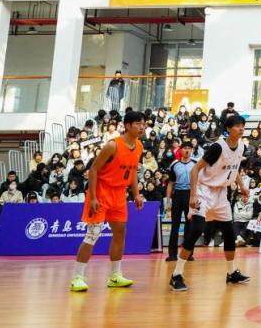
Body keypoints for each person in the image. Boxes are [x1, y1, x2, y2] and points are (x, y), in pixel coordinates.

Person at [169, 115, 252, 292]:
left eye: (243, 126)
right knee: (197, 229)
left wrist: (242, 186)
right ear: (228, 129)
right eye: (237, 126)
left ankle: (231, 273)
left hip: (221, 192)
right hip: (204, 190)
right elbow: (195, 169)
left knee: (229, 233)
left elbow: (234, 169)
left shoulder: (241, 146)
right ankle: (176, 275)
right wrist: (193, 195)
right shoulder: (217, 147)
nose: (241, 129)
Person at [69, 110, 146, 293]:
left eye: (143, 124)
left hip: (119, 194)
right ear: (127, 126)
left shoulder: (139, 146)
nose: (142, 127)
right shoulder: (113, 145)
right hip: (101, 192)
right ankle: (77, 278)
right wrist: (93, 197)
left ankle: (115, 276)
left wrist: (136, 194)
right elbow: (93, 170)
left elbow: (132, 172)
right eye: (138, 124)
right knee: (93, 234)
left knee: (120, 233)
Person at [165, 141, 197, 262]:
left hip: (191, 194)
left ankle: (188, 254)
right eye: (185, 148)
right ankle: (172, 254)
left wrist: (197, 197)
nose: (187, 150)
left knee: (190, 225)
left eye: (189, 148)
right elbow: (170, 184)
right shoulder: (174, 164)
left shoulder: (196, 164)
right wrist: (168, 201)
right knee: (175, 225)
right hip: (178, 195)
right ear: (181, 150)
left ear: (192, 150)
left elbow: (200, 182)